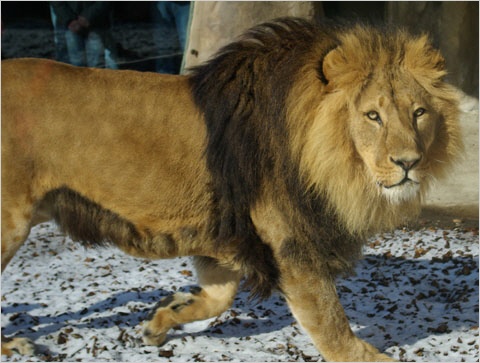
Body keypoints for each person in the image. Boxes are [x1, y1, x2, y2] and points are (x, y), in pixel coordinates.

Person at [49, 2, 117, 69]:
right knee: (76, 64)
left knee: (96, 64)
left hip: (97, 23)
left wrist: (88, 17)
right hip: (71, 24)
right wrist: (69, 20)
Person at [154, 1, 191, 74]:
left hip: (185, 4)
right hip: (160, 3)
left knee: (186, 41)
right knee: (162, 42)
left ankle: (189, 74)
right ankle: (164, 75)